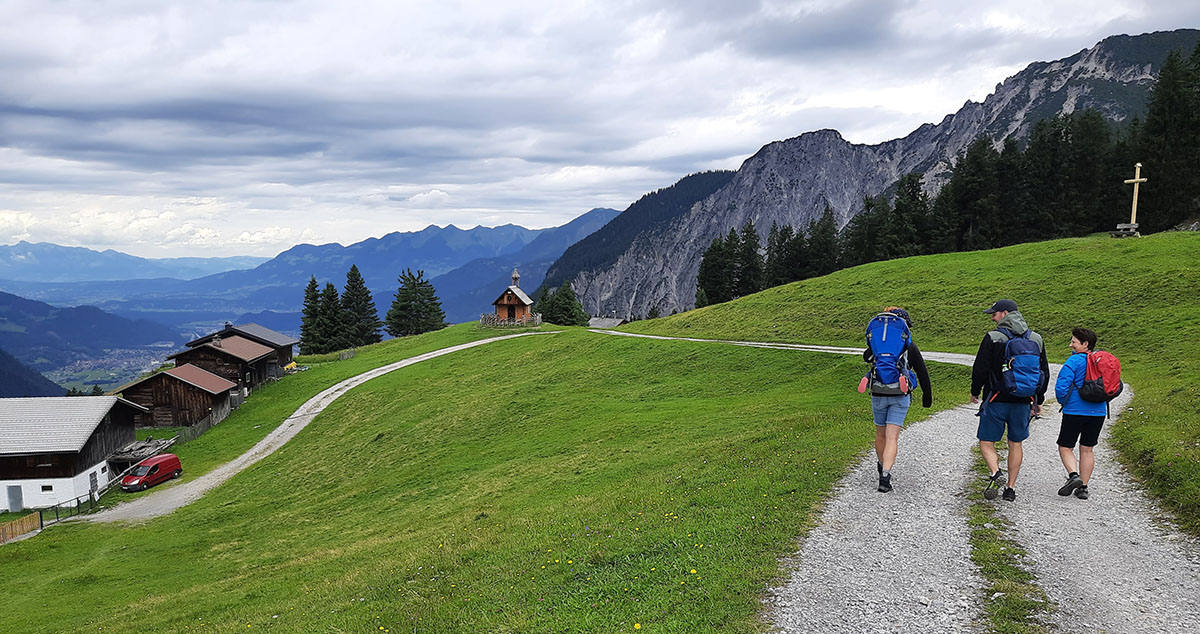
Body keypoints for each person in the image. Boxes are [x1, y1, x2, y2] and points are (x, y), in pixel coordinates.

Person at [970, 299, 1049, 502]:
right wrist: (1038, 400)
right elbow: (1044, 372)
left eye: (994, 314)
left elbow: (980, 368)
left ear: (1005, 313)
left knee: (986, 441)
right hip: (1023, 401)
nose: (993, 318)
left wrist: (975, 392)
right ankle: (1010, 489)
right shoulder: (1036, 338)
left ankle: (996, 473)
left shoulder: (993, 337)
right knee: (1016, 443)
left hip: (995, 399)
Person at [862, 307, 933, 493]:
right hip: (900, 396)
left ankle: (880, 463)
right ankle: (885, 475)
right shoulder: (909, 346)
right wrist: (927, 396)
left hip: (878, 393)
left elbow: (866, 357)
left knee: (880, 434)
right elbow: (922, 372)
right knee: (892, 437)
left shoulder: (877, 344)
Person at [1054, 327, 1107, 500]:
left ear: (1085, 344)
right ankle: (1083, 487)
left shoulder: (1073, 361)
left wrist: (1064, 402)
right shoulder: (1102, 361)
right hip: (1098, 411)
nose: (1071, 345)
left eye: (1074, 342)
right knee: (1087, 449)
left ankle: (1073, 475)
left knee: (1065, 446)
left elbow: (1061, 387)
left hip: (1074, 411)